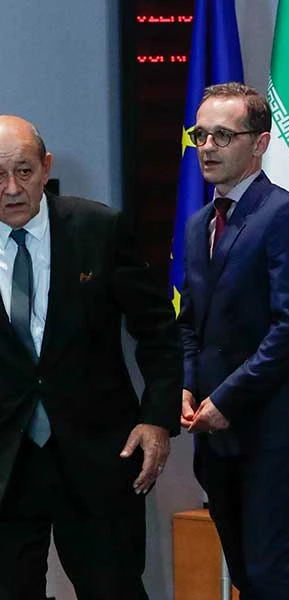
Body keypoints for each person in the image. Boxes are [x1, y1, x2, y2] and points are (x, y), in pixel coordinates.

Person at [0, 115, 182, 599]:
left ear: (46, 167)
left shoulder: (98, 229)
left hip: (97, 454)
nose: (12, 189)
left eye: (24, 171)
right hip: (7, 466)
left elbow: (159, 332)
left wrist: (157, 419)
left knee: (113, 589)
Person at [178, 82, 289, 599]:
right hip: (215, 430)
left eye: (223, 135)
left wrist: (227, 399)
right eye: (200, 134)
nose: (208, 147)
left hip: (271, 426)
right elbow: (190, 323)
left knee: (269, 571)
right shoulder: (199, 224)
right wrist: (187, 385)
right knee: (245, 574)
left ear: (260, 143)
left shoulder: (285, 215)